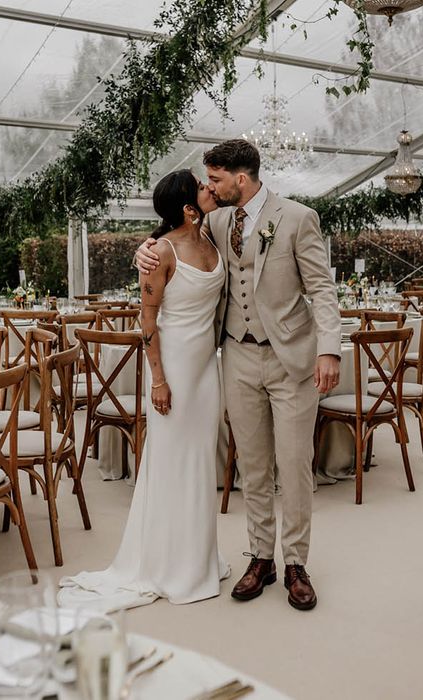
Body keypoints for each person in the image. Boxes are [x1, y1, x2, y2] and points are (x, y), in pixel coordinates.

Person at [135, 140, 341, 611]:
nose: (209, 187)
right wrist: (143, 251)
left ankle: (296, 564)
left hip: (291, 357)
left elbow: (322, 290)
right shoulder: (218, 218)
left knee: (292, 466)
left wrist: (329, 350)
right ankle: (260, 558)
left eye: (215, 180)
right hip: (235, 357)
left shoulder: (298, 218)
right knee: (252, 465)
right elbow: (172, 235)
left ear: (239, 179)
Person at [58, 169, 230, 610]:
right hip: (171, 370)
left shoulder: (213, 237)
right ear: (188, 208)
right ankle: (167, 564)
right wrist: (157, 379)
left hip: (206, 372)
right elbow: (147, 322)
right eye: (203, 188)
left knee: (199, 464)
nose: (211, 189)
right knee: (170, 464)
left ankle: (198, 558)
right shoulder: (161, 254)